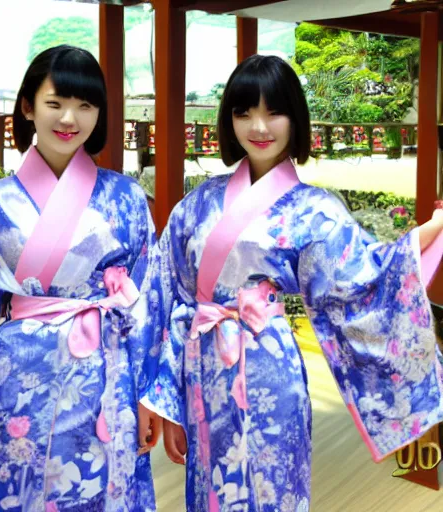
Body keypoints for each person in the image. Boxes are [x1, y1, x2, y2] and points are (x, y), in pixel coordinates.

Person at [143, 54, 443, 511]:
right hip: (201, 366)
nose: (258, 126)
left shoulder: (315, 209)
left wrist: (430, 230)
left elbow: (365, 276)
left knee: (273, 485)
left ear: (294, 118)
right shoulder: (197, 202)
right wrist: (163, 398)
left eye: (273, 111)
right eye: (244, 113)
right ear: (229, 120)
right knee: (209, 490)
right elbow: (165, 296)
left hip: (270, 366)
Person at [0, 45, 162, 511]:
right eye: (55, 104)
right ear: (28, 107)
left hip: (104, 378)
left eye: (85, 105)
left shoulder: (127, 198)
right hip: (18, 382)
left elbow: (150, 302)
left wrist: (152, 395)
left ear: (100, 112)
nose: (69, 118)